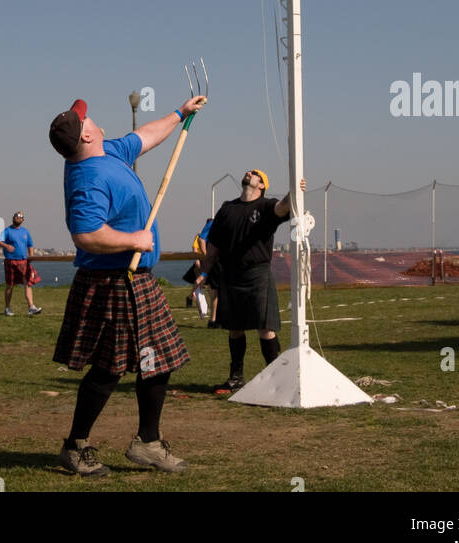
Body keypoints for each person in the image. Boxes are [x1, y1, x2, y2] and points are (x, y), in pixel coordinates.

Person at [49, 92, 206, 478]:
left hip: (138, 280)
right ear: (85, 137)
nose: (91, 118)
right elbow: (86, 235)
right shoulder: (89, 177)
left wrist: (179, 113)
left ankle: (147, 443)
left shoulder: (108, 153)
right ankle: (76, 445)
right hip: (112, 282)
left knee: (158, 364)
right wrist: (134, 240)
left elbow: (145, 136)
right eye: (85, 120)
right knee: (109, 369)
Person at [194, 169, 305, 393]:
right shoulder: (227, 208)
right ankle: (236, 378)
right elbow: (214, 246)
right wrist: (204, 273)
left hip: (257, 274)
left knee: (266, 329)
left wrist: (294, 192)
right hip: (231, 274)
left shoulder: (265, 206)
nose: (248, 173)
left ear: (262, 185)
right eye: (248, 171)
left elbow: (282, 207)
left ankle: (277, 380)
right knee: (234, 329)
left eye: (254, 173)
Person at [0, 210, 42, 316]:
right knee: (10, 285)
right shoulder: (7, 231)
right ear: (13, 218)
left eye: (20, 217)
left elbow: (30, 245)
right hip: (11, 261)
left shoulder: (25, 232)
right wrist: (6, 246)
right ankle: (7, 309)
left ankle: (31, 307)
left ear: (23, 220)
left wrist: (31, 256)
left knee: (28, 283)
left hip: (23, 261)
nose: (18, 218)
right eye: (16, 216)